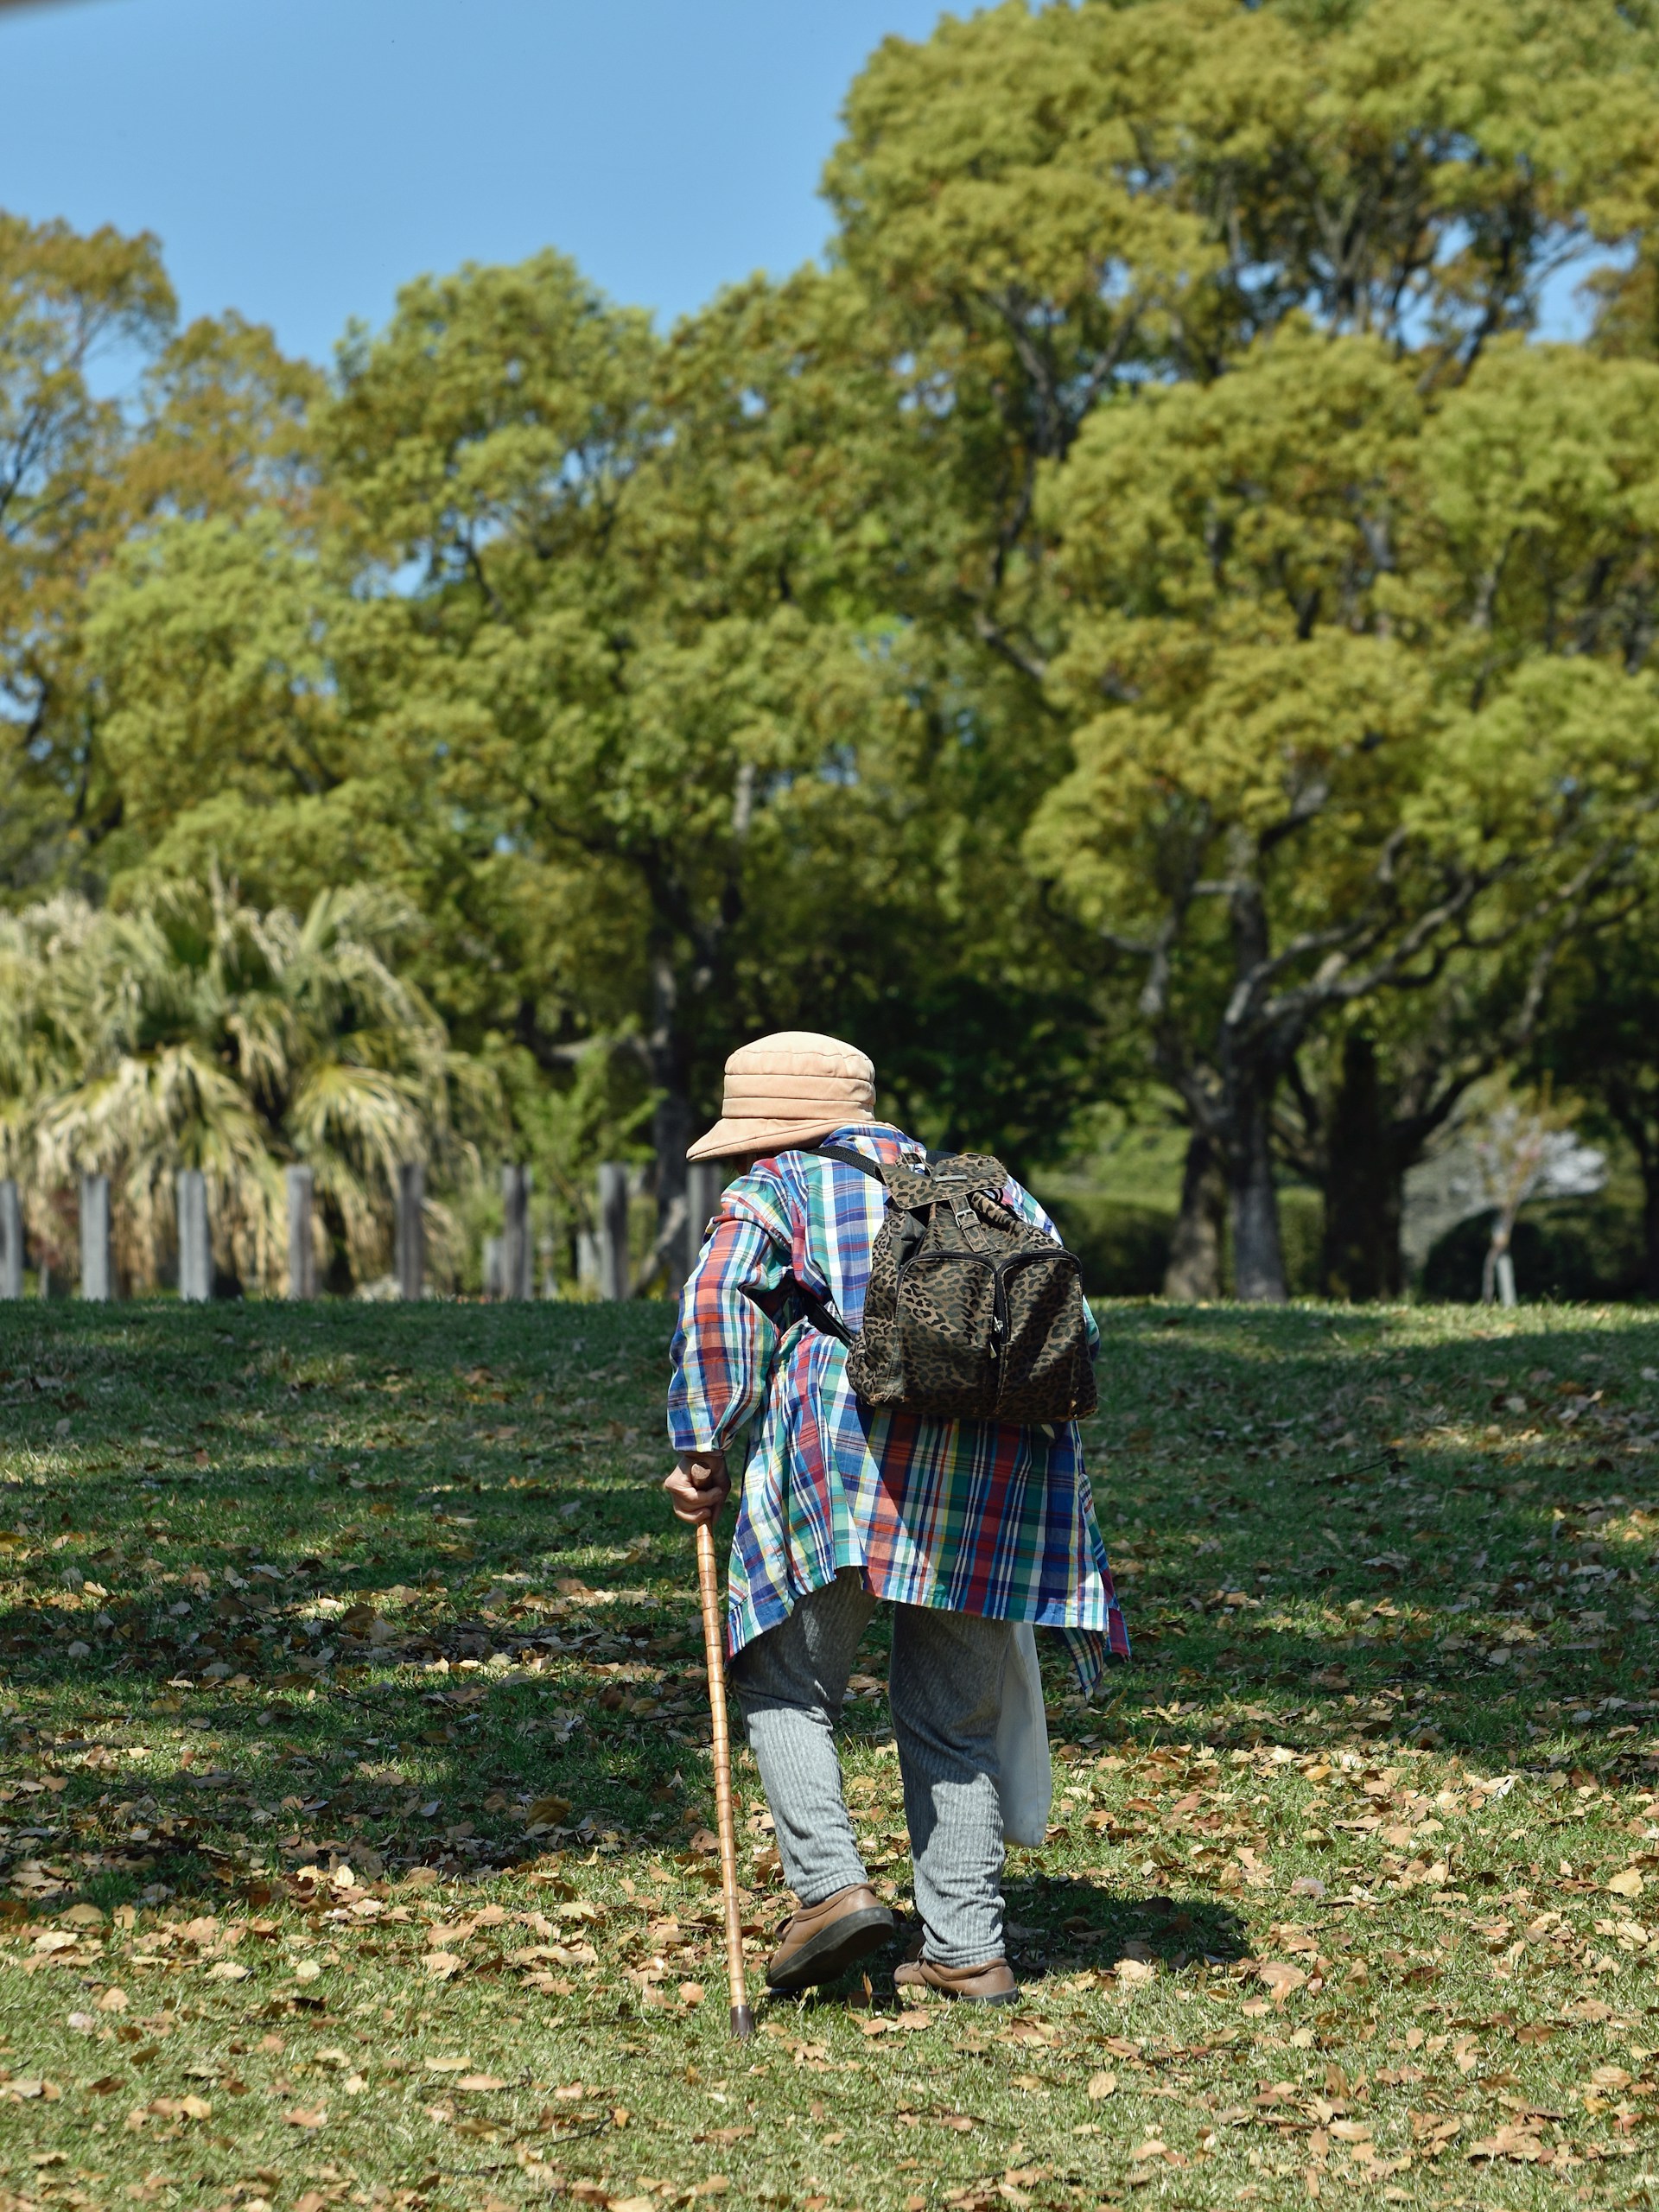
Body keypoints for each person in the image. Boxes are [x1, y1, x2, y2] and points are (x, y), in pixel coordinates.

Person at [664, 1031, 1128, 2005]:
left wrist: (704, 1441)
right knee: (953, 1714)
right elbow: (1075, 1326)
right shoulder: (986, 1189)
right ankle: (967, 1949)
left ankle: (829, 1892)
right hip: (997, 1479)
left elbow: (719, 1304)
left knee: (783, 1675)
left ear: (768, 1129)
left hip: (847, 1465)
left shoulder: (778, 1187)